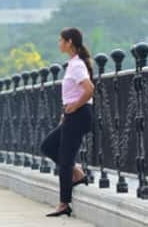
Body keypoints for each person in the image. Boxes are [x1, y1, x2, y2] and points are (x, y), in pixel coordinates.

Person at [40, 27, 95, 217]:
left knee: (65, 159)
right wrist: (67, 111)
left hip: (79, 115)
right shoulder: (73, 64)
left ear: (69, 42)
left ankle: (64, 203)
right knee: (48, 146)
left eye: (61, 40)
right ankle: (78, 174)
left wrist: (74, 106)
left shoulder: (77, 65)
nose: (59, 43)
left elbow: (89, 89)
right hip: (73, 115)